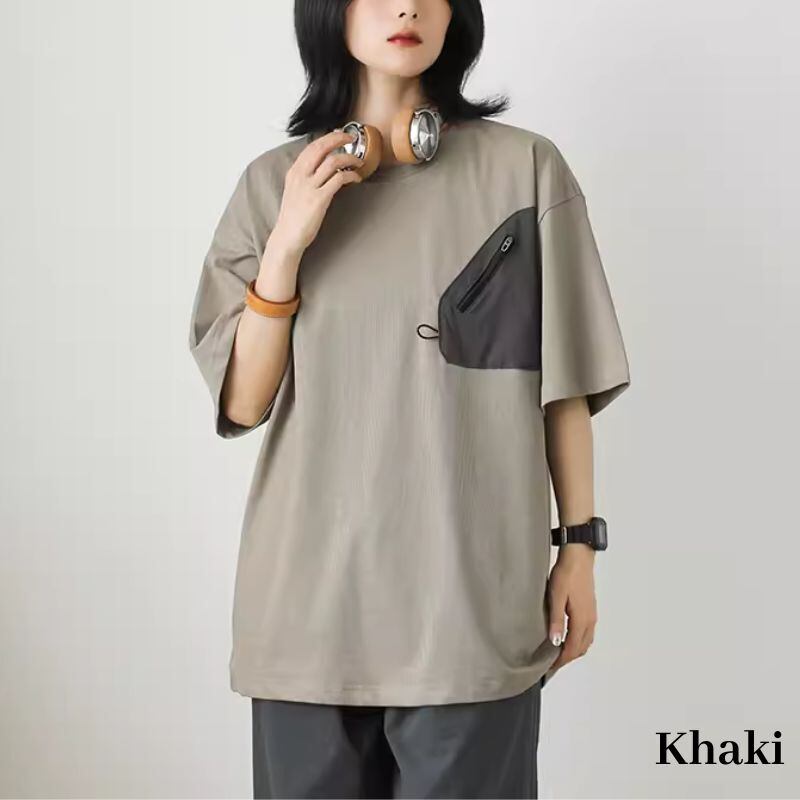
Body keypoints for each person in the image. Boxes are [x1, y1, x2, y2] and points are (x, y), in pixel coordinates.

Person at [188, 1, 631, 797]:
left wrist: (579, 547)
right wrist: (287, 243)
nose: (406, 7)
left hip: (470, 611)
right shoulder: (271, 185)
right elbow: (245, 402)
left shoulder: (526, 170)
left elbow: (561, 384)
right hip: (306, 618)